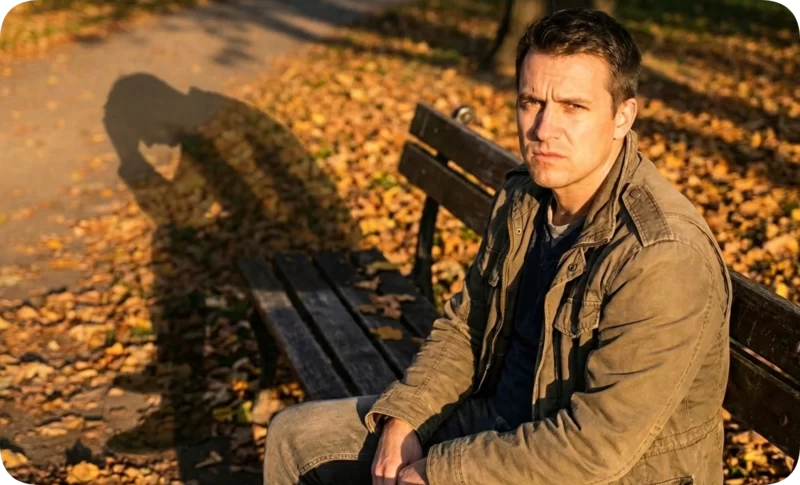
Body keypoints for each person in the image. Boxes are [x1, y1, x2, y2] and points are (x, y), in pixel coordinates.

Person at [263, 7, 732, 485]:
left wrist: (439, 471)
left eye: (573, 106)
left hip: (599, 469)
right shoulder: (525, 197)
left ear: (622, 116)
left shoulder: (661, 255)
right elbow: (470, 323)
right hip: (500, 421)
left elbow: (596, 446)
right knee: (295, 438)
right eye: (531, 102)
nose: (543, 129)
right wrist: (406, 415)